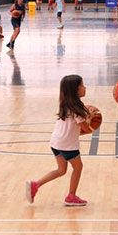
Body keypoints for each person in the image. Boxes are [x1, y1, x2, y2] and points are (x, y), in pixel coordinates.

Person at [26, 74, 90, 206]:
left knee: (61, 170)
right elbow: (87, 129)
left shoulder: (66, 104)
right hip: (67, 145)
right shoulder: (78, 109)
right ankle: (71, 196)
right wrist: (91, 118)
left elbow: (77, 130)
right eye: (82, 86)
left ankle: (35, 185)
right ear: (75, 90)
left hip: (56, 143)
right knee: (78, 168)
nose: (85, 88)